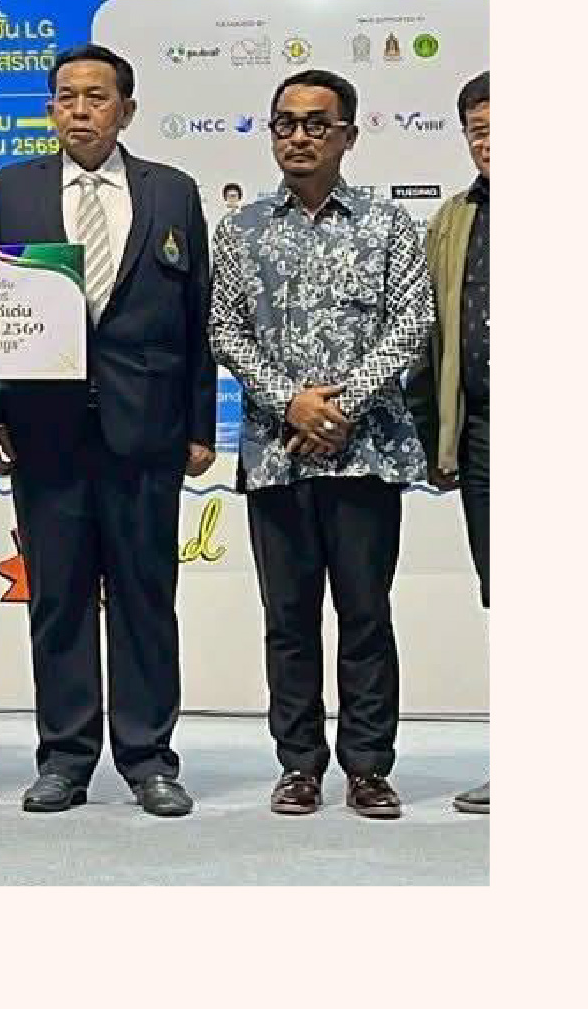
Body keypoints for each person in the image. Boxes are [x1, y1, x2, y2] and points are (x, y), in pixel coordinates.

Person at [0, 44, 214, 818]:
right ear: (50, 109)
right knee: (58, 599)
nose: (79, 108)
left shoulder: (171, 191)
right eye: (66, 96)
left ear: (125, 110)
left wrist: (200, 425)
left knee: (146, 597)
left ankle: (149, 759)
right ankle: (64, 758)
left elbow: (197, 316)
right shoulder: (12, 188)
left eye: (96, 96)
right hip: (43, 430)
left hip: (147, 428)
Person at [209, 68, 435, 820]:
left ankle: (368, 768)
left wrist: (341, 405)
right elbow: (223, 329)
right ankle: (298, 764)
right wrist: (292, 403)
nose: (298, 137)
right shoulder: (240, 229)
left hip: (366, 452)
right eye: (285, 123)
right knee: (289, 619)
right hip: (276, 455)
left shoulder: (387, 225)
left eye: (315, 123)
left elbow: (412, 321)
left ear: (348, 135)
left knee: (366, 615)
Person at [406, 70, 490, 815]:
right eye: (478, 130)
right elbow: (430, 338)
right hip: (485, 435)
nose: (489, 143)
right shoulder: (453, 219)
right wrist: (438, 440)